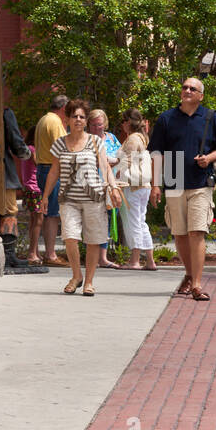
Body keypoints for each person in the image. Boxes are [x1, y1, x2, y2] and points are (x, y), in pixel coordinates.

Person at [148, 77, 216, 302]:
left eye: (193, 88)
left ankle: (197, 285)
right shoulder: (166, 118)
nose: (187, 90)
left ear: (200, 95)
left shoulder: (211, 118)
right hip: (173, 178)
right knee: (180, 234)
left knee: (197, 232)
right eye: (184, 87)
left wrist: (208, 158)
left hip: (200, 181)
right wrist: (155, 184)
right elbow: (156, 153)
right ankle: (190, 275)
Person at [40, 98, 121, 296]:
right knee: (70, 236)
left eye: (81, 117)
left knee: (93, 240)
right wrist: (45, 196)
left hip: (94, 198)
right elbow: (53, 171)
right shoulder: (60, 143)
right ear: (67, 119)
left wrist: (114, 188)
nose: (78, 120)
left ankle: (89, 281)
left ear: (86, 121)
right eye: (74, 116)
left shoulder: (95, 142)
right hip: (68, 199)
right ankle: (76, 276)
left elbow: (105, 167)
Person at [0, 105, 48, 274]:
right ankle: (8, 254)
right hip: (1, 169)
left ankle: (3, 254)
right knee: (9, 211)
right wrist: (28, 154)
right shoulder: (3, 111)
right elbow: (16, 142)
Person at [115, 108, 156, 270]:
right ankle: (150, 260)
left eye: (123, 122)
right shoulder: (142, 138)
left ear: (127, 122)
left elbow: (126, 161)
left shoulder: (132, 139)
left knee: (133, 222)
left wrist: (114, 167)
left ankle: (135, 259)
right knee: (140, 221)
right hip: (143, 185)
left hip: (132, 186)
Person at [34, 94, 69, 266]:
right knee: (52, 214)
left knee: (49, 212)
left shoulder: (44, 119)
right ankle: (50, 254)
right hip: (51, 170)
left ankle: (49, 253)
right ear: (63, 108)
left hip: (44, 168)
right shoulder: (54, 122)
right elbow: (61, 148)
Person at [87, 108, 122, 269]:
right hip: (94, 186)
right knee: (97, 221)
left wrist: (113, 161)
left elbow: (122, 156)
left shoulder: (112, 138)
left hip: (112, 184)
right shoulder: (87, 140)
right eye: (93, 125)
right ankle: (96, 257)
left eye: (99, 124)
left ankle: (103, 257)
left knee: (109, 220)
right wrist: (104, 161)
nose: (96, 128)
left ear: (105, 123)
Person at [19, 141, 44, 264]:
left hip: (29, 188)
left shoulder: (27, 149)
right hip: (36, 189)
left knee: (33, 220)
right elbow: (39, 163)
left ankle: (35, 251)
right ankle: (32, 253)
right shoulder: (34, 150)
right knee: (38, 221)